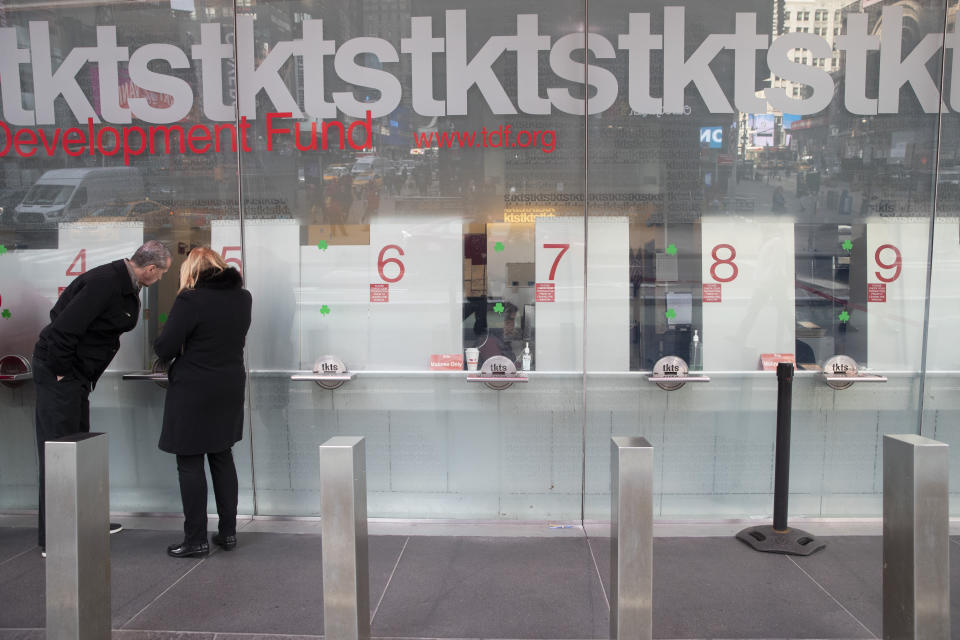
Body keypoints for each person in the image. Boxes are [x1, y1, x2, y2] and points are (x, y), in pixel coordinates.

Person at [33, 240, 172, 557]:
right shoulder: (106, 282)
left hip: (77, 376)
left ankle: (85, 522)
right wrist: (60, 372)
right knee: (60, 454)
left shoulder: (124, 283)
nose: (161, 278)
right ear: (150, 269)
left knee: (80, 448)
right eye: (162, 274)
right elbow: (62, 327)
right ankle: (55, 537)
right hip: (63, 374)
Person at [154, 247, 251, 558]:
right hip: (230, 385)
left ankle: (195, 539)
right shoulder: (243, 298)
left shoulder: (190, 299)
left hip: (194, 388)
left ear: (191, 271)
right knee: (222, 456)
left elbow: (165, 347)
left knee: (190, 461)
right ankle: (228, 532)